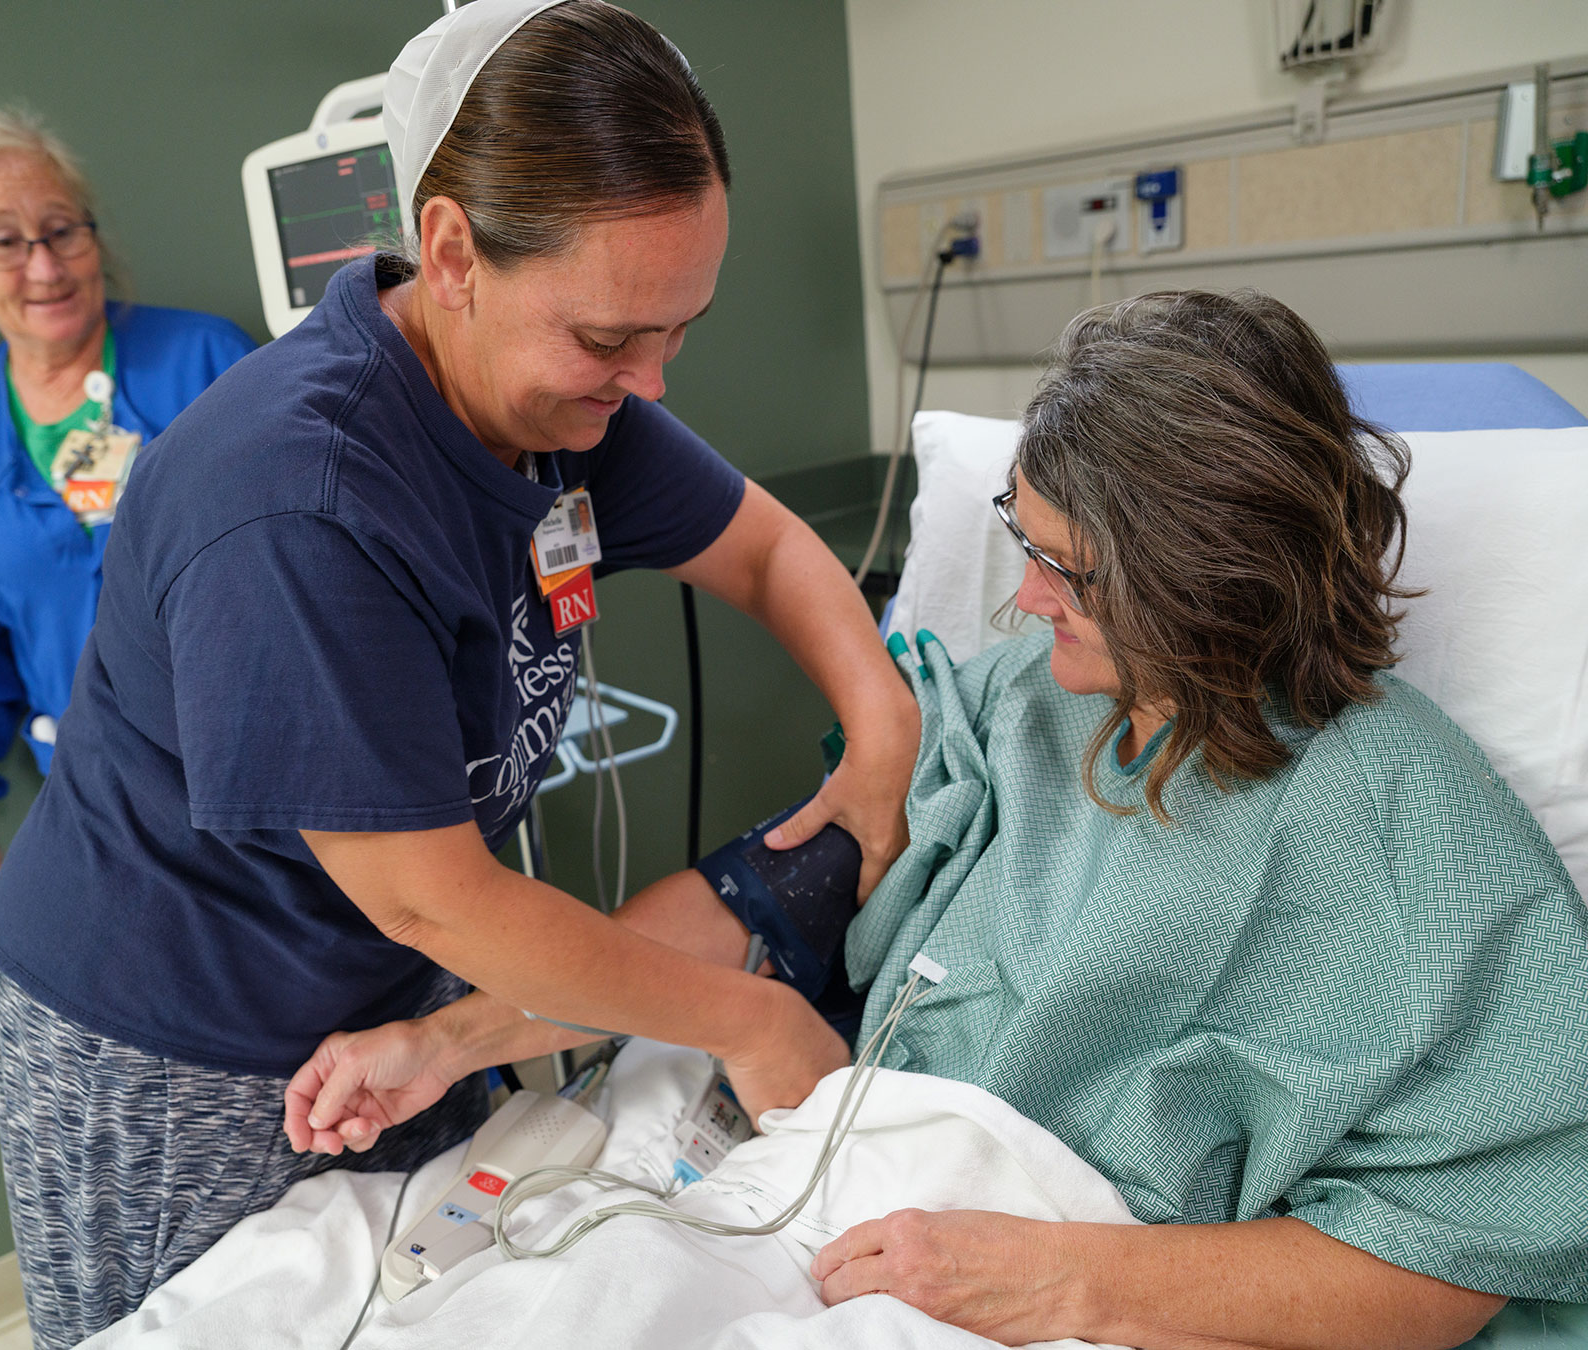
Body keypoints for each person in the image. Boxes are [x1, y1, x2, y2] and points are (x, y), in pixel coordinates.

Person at [301, 291, 1588, 1350]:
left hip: (1080, 1268)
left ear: (1201, 574)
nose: (1020, 602)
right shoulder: (1020, 703)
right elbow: (771, 893)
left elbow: (1451, 1255)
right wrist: (451, 1039)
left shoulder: (1423, 847)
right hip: (864, 1186)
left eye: (1064, 572)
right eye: (1014, 542)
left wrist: (1064, 1279)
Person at [0, 4, 916, 1346]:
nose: (649, 384)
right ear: (453, 250)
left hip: (392, 992)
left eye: (679, 329)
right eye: (609, 338)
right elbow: (437, 898)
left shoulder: (564, 408)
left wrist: (882, 721)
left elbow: (767, 550)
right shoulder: (299, 504)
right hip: (174, 1029)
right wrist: (752, 1017)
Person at [0, 105, 255, 917]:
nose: (44, 266)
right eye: (2, 241)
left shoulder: (208, 361)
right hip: (107, 821)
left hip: (267, 782)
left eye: (62, 230)